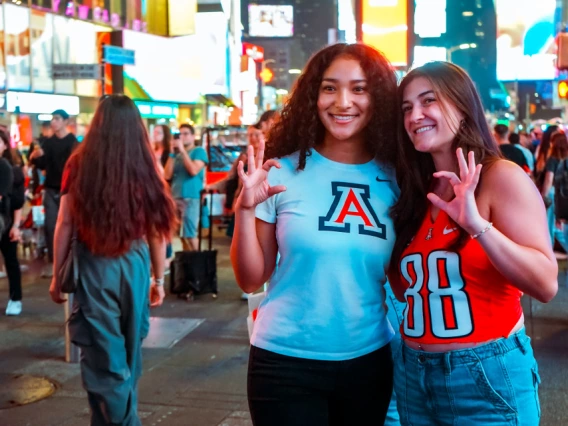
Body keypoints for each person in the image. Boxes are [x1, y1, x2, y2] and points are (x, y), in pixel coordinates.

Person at [231, 43, 400, 426]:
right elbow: (250, 277)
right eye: (329, 88)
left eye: (359, 88)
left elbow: (402, 279)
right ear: (313, 95)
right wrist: (244, 210)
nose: (343, 101)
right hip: (284, 363)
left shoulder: (397, 178)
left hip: (369, 362)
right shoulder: (280, 172)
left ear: (379, 98)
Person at [389, 61, 557, 425]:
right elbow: (408, 290)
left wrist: (478, 225)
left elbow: (545, 284)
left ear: (462, 107)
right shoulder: (414, 189)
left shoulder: (501, 177)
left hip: (485, 378)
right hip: (412, 376)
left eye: (428, 101)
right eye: (406, 108)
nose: (415, 115)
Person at [49, 95, 177, 426]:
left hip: (95, 265)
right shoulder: (146, 163)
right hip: (134, 264)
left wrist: (55, 275)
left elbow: (65, 223)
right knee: (127, 357)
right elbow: (157, 233)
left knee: (103, 357)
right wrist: (158, 281)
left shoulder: (79, 163)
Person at [29, 109, 78, 277]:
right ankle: (54, 261)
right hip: (51, 189)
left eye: (57, 119)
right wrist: (35, 157)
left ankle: (70, 261)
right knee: (51, 226)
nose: (54, 122)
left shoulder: (73, 142)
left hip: (69, 191)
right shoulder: (47, 143)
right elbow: (42, 165)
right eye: (52, 119)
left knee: (70, 225)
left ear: (65, 121)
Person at [164, 124, 208, 251]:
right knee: (181, 235)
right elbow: (167, 175)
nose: (182, 137)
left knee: (190, 233)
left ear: (193, 136)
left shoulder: (199, 151)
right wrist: (172, 154)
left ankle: (198, 262)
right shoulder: (177, 155)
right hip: (176, 196)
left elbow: (194, 170)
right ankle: (188, 262)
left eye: (186, 134)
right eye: (180, 134)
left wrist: (182, 151)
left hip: (191, 197)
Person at [0, 130, 25, 316]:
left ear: (5, 145)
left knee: (11, 260)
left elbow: (16, 201)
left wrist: (16, 226)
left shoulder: (8, 168)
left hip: (5, 221)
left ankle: (16, 298)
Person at [540, 131, 568, 247]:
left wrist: (543, 196)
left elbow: (548, 179)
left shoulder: (553, 159)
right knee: (562, 222)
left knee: (550, 223)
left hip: (553, 192)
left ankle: (549, 248)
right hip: (565, 193)